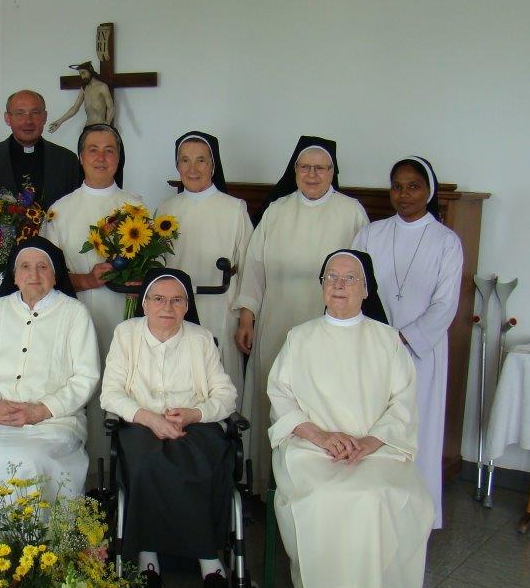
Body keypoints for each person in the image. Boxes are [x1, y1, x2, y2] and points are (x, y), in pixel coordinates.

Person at [268, 249, 432, 588]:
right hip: (311, 451)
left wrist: (371, 442)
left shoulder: (386, 339)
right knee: (322, 499)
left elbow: (403, 405)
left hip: (375, 452)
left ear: (366, 289)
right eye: (332, 278)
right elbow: (281, 399)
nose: (339, 286)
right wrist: (321, 437)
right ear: (322, 286)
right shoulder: (299, 337)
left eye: (350, 279)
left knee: (374, 498)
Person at [234, 136, 368, 495]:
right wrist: (247, 316)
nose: (312, 174)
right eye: (304, 167)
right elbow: (254, 268)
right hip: (276, 318)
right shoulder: (277, 211)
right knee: (273, 395)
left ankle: (317, 482)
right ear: (294, 171)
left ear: (332, 172)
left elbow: (362, 273)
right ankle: (264, 483)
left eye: (320, 168)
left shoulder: (351, 211)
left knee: (317, 398)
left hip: (326, 325)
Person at [101, 269, 238, 588]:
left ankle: (212, 567)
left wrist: (195, 413)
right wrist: (149, 418)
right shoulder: (126, 334)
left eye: (177, 300)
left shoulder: (202, 338)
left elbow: (226, 395)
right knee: (148, 464)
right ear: (144, 304)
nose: (167, 307)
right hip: (141, 423)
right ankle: (149, 567)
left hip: (195, 424)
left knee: (203, 464)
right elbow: (110, 393)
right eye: (158, 299)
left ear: (186, 306)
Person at [0, 237, 100, 506]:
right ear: (14, 276)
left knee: (32, 458)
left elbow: (85, 377)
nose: (33, 275)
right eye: (25, 266)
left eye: (42, 267)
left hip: (52, 420)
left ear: (55, 275)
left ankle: (40, 543)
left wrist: (41, 410)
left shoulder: (75, 313)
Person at [353, 157, 462, 529]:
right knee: (371, 422)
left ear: (429, 190)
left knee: (418, 427)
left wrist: (404, 336)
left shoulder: (446, 241)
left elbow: (446, 303)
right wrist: (368, 334)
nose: (404, 194)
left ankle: (417, 513)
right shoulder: (372, 233)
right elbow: (354, 283)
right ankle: (375, 507)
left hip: (420, 351)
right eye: (397, 186)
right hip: (372, 346)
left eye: (413, 186)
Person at [42, 123, 144, 467]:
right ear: (81, 158)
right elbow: (44, 275)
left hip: (124, 316)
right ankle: (82, 477)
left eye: (110, 150)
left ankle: (118, 474)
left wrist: (134, 277)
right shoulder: (60, 210)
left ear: (119, 158)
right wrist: (86, 280)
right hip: (75, 316)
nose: (101, 157)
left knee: (122, 389)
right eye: (93, 150)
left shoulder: (136, 207)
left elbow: (153, 271)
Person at [155, 131, 252, 397]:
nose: (192, 168)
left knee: (219, 386)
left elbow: (250, 268)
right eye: (185, 161)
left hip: (220, 309)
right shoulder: (165, 209)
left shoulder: (235, 208)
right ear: (177, 166)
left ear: (213, 165)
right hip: (173, 311)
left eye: (201, 160)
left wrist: (245, 319)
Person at [0, 90, 81, 210]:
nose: (28, 121)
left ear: (45, 117)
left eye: (35, 112)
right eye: (20, 113)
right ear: (7, 118)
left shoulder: (67, 161)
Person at [47, 62, 115, 133]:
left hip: (100, 127)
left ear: (90, 71)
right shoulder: (84, 88)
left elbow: (111, 107)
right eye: (80, 74)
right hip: (87, 128)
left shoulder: (102, 87)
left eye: (83, 73)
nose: (82, 76)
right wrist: (59, 121)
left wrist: (107, 125)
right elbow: (75, 108)